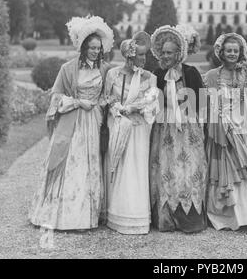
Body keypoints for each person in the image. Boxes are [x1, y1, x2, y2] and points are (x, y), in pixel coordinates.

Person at [29, 16, 113, 230]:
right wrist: (77, 102)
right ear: (83, 47)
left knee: (90, 162)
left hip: (94, 121)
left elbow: (109, 94)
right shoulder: (68, 69)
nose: (95, 51)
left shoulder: (105, 69)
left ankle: (88, 216)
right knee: (71, 162)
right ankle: (64, 216)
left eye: (98, 48)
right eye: (92, 48)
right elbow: (55, 98)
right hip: (73, 121)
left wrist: (100, 103)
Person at [203, 33, 247, 231]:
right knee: (221, 168)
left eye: (235, 50)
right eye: (228, 50)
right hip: (220, 130)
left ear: (241, 52)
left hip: (242, 129)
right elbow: (205, 105)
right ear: (221, 53)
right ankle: (226, 217)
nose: (232, 54)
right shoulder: (211, 77)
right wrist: (220, 123)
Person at [149, 25, 208, 233]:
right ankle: (165, 218)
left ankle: (189, 218)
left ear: (178, 53)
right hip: (164, 130)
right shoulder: (157, 74)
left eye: (169, 52)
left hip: (187, 131)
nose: (165, 56)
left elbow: (201, 104)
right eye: (163, 52)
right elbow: (151, 103)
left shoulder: (190, 73)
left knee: (187, 172)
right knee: (166, 171)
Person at [103, 32, 159, 235]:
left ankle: (137, 216)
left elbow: (152, 104)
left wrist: (136, 108)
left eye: (145, 56)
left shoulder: (150, 77)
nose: (144, 60)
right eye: (140, 56)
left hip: (140, 129)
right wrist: (116, 108)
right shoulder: (113, 74)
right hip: (119, 126)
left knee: (137, 168)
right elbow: (107, 98)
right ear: (129, 56)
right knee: (120, 167)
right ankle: (117, 213)